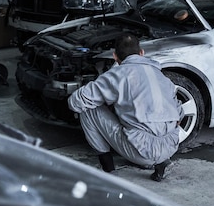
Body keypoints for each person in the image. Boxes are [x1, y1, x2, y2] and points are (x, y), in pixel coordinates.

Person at [68, 33, 184, 181]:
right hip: (170, 146)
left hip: (141, 151)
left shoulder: (117, 75)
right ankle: (162, 163)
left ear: (115, 56)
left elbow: (76, 102)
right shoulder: (161, 75)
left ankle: (108, 171)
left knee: (88, 109)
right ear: (142, 53)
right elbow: (179, 113)